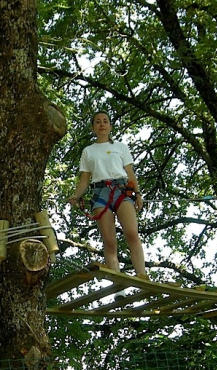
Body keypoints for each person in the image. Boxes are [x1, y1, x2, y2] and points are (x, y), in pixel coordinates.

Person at [68, 111, 148, 289]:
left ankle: (142, 275)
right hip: (100, 192)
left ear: (110, 126)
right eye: (97, 122)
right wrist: (76, 195)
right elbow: (84, 179)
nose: (102, 124)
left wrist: (138, 193)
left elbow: (130, 173)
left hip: (121, 190)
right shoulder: (88, 151)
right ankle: (118, 285)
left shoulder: (121, 147)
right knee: (109, 240)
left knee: (132, 233)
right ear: (93, 127)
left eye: (105, 121)